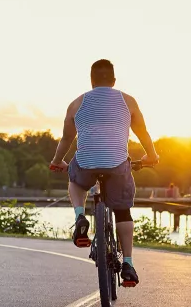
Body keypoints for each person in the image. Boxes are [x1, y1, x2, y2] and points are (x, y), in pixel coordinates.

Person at [49, 59, 159, 286]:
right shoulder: (128, 101)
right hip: (118, 164)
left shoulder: (76, 103)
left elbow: (67, 138)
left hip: (86, 163)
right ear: (114, 80)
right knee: (123, 211)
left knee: (75, 179)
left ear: (91, 81)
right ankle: (128, 264)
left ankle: (80, 217)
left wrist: (58, 161)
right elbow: (142, 132)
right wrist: (152, 155)